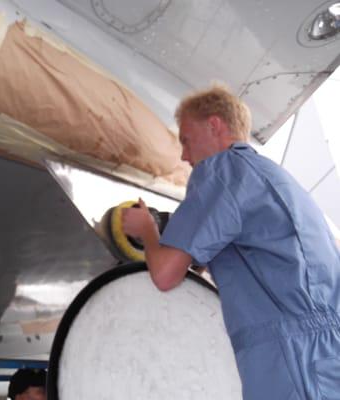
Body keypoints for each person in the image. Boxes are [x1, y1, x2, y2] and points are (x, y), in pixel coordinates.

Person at [122, 85, 340, 400]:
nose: (184, 156)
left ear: (214, 125)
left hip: (290, 358)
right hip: (325, 352)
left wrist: (147, 231)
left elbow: (165, 273)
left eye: (186, 139)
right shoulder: (271, 176)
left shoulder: (222, 171)